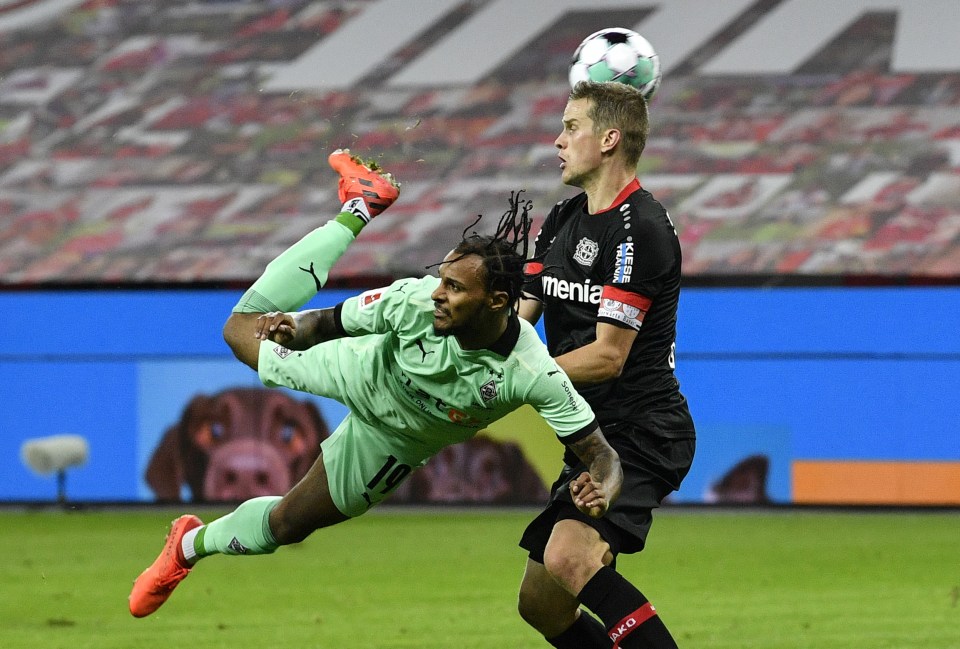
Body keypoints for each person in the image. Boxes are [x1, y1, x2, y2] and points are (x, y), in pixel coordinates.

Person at [128, 149, 624, 620]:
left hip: (393, 443)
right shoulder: (412, 300)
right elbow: (326, 324)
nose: (438, 294)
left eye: (454, 288)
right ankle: (358, 207)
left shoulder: (532, 372)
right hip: (355, 369)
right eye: (441, 280)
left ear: (497, 301)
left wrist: (601, 487)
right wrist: (291, 329)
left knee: (287, 525)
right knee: (240, 331)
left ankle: (188, 545)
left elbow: (602, 455)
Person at [515, 81, 696, 649]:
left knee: (571, 556)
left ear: (610, 139)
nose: (557, 139)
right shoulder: (561, 219)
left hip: (642, 429)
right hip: (591, 434)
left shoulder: (639, 230)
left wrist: (513, 379)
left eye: (572, 127)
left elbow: (607, 357)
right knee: (540, 603)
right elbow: (518, 324)